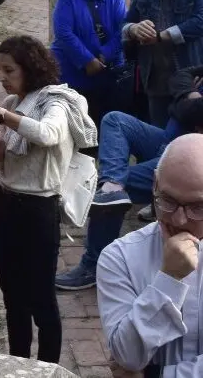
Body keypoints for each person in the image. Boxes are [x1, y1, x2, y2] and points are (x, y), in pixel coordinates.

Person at [0, 36, 96, 364]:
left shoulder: (56, 103)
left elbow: (47, 134)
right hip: (5, 202)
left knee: (41, 299)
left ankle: (48, 368)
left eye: (9, 70)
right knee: (12, 296)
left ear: (30, 69)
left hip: (38, 210)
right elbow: (12, 164)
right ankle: (17, 363)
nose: (2, 77)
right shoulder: (12, 102)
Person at [55, 69, 203, 292]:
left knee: (115, 188)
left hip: (189, 160)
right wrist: (187, 96)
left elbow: (190, 111)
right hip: (168, 139)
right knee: (116, 120)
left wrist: (185, 99)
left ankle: (93, 265)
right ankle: (112, 184)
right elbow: (180, 75)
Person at [97, 133, 203, 378]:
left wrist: (155, 375)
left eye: (198, 207)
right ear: (155, 183)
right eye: (168, 201)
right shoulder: (120, 257)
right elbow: (127, 356)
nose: (179, 219)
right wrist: (169, 279)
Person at [123, 0, 203, 128]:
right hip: (155, 77)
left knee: (188, 137)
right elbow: (125, 23)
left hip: (189, 76)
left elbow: (200, 22)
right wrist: (133, 30)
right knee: (158, 134)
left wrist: (163, 35)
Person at [51, 0, 128, 130]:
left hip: (107, 71)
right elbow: (63, 32)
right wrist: (87, 60)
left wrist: (103, 56)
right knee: (76, 126)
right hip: (74, 71)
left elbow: (122, 29)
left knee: (103, 123)